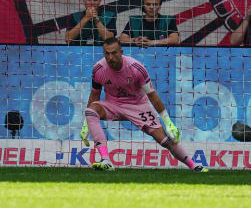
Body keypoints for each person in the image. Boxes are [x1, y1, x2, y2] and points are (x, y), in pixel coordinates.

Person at [80, 38, 205, 172]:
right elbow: (95, 95)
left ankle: (193, 165)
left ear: (121, 52)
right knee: (91, 110)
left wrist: (168, 122)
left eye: (114, 53)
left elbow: (152, 95)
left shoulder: (136, 68)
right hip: (113, 105)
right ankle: (106, 160)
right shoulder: (98, 69)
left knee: (163, 140)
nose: (110, 57)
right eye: (107, 53)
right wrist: (86, 124)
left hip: (138, 106)